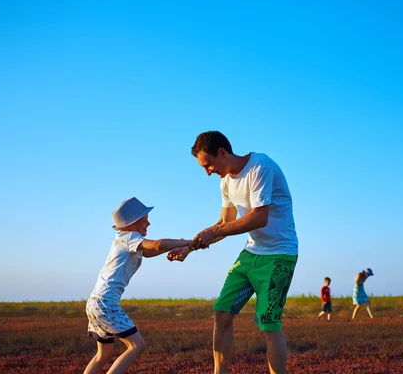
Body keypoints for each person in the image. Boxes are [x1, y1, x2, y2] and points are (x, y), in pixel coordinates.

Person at [168, 131, 298, 374]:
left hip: (279, 254)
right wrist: (189, 247)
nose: (207, 172)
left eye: (208, 165)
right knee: (221, 311)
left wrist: (213, 233)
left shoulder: (261, 167)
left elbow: (259, 217)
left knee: (269, 324)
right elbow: (223, 224)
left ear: (222, 153)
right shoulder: (226, 182)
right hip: (250, 253)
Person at [84, 197, 193, 374]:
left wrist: (176, 245)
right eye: (144, 220)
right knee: (137, 345)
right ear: (130, 224)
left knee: (102, 356)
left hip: (94, 302)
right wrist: (187, 242)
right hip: (106, 303)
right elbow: (157, 244)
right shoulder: (130, 237)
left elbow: (149, 252)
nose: (148, 223)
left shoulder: (122, 239)